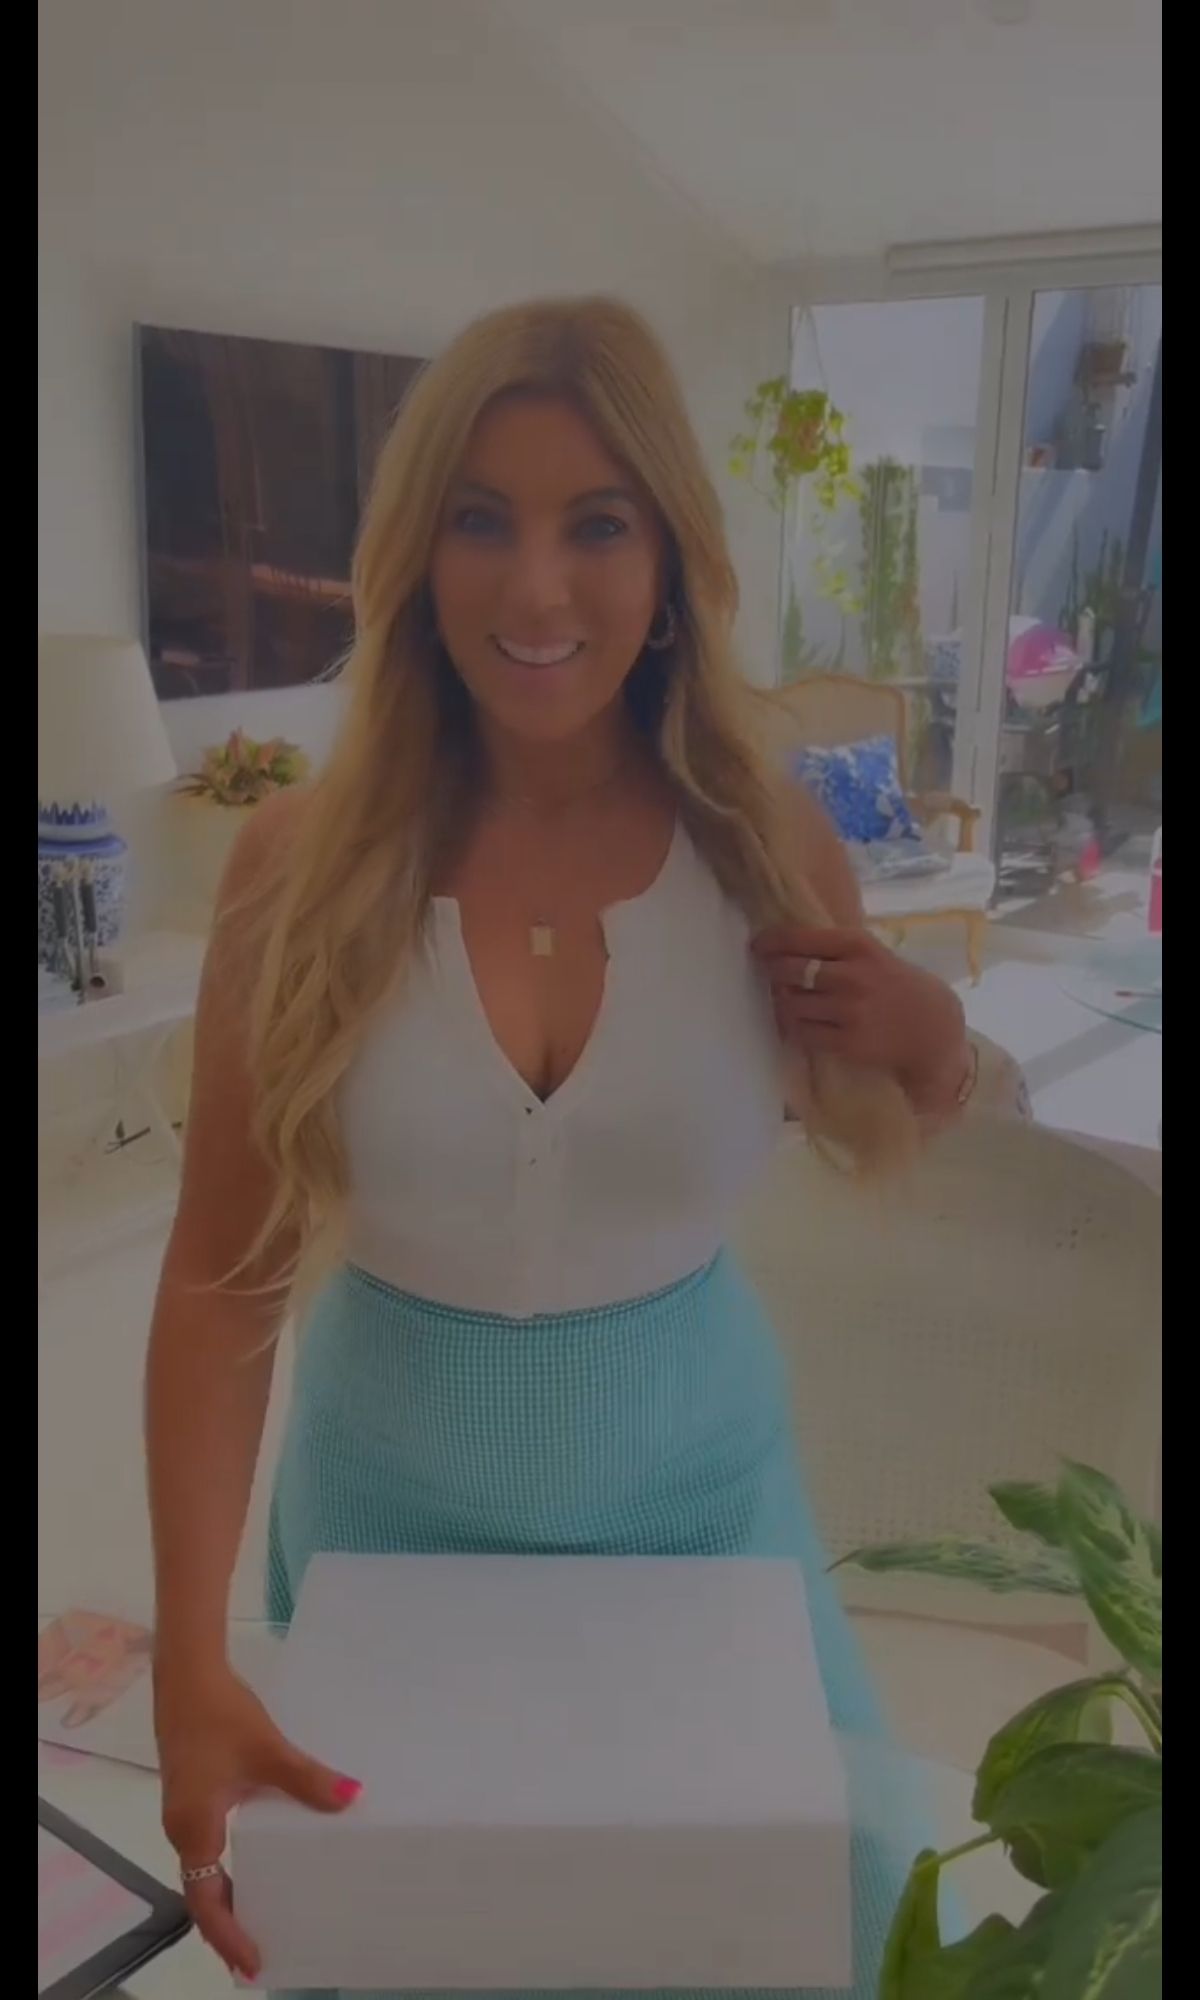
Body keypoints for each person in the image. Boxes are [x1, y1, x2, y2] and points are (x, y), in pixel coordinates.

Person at [146, 296, 975, 1999]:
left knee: (835, 1918)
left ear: (668, 564)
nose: (537, 591)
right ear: (414, 556)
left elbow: (897, 1112)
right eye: (481, 520)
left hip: (706, 1522)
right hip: (385, 1536)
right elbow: (223, 1279)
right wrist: (186, 1665)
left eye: (597, 525)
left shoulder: (768, 849)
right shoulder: (294, 870)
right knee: (433, 1947)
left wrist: (935, 1039)